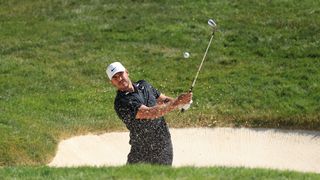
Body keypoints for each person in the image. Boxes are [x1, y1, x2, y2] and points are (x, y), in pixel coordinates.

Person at [106, 62, 192, 165]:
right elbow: (150, 113)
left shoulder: (143, 85)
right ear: (112, 82)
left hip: (163, 144)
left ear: (127, 72)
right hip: (141, 149)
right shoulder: (122, 102)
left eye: (120, 74)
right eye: (115, 77)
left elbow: (163, 100)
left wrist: (182, 103)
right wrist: (177, 102)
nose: (119, 78)